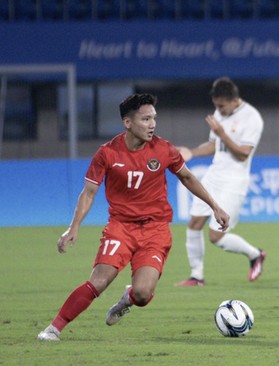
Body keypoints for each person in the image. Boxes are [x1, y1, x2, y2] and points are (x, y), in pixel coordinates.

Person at [37, 93, 229, 341]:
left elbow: (188, 178)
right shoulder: (107, 153)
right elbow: (89, 192)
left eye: (154, 118)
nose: (152, 124)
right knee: (100, 280)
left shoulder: (163, 149)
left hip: (155, 230)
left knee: (142, 294)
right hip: (120, 227)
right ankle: (53, 328)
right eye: (146, 119)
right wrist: (73, 228)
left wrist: (215, 206)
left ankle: (126, 299)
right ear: (128, 123)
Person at [175, 77, 266, 286]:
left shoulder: (252, 118)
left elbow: (243, 153)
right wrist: (192, 152)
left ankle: (255, 254)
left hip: (234, 181)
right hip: (214, 175)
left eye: (222, 106)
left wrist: (222, 133)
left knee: (216, 236)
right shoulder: (220, 112)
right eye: (216, 106)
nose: (218, 110)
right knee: (194, 224)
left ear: (234, 100)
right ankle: (197, 277)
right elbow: (213, 145)